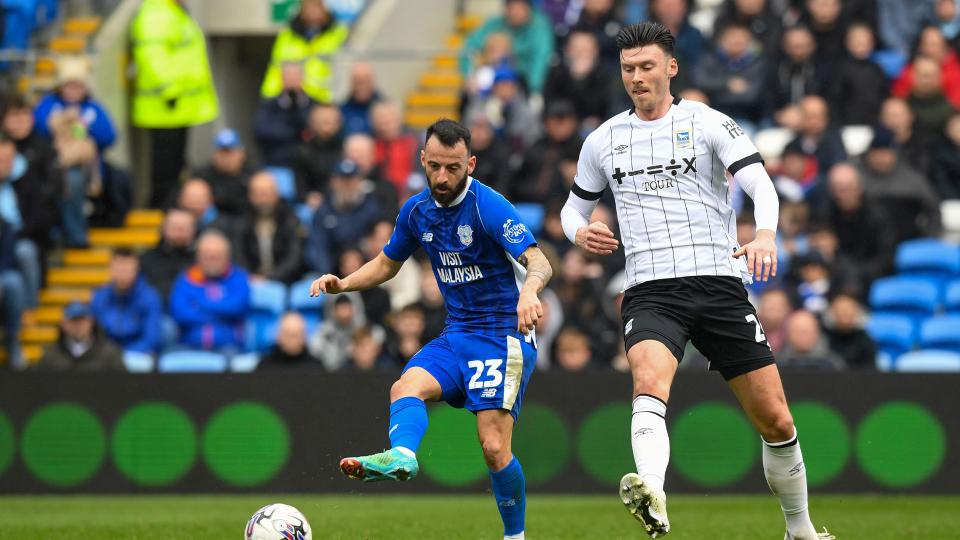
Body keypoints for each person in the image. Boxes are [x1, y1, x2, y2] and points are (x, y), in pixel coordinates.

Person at [560, 22, 833, 539]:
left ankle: (800, 530)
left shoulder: (707, 122)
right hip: (650, 288)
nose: (636, 77)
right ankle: (654, 495)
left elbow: (761, 185)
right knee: (648, 383)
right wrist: (581, 233)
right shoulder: (602, 140)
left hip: (718, 282)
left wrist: (768, 236)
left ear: (671, 67)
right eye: (627, 69)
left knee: (776, 420)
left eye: (645, 67)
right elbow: (571, 212)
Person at [310, 119, 553, 540]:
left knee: (494, 448)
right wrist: (344, 283)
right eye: (435, 166)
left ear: (471, 164)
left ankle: (515, 537)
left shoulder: (488, 207)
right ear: (422, 159)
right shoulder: (415, 210)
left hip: (503, 335)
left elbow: (539, 260)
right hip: (457, 334)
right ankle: (402, 455)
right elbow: (388, 263)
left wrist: (530, 292)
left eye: (454, 168)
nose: (443, 177)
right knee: (405, 387)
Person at [130, 0, 219, 209]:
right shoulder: (156, 13)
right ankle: (161, 208)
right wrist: (170, 90)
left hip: (180, 106)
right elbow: (152, 57)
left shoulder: (174, 11)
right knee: (164, 165)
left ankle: (171, 205)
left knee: (176, 163)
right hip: (165, 105)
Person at [169, 230, 250, 354]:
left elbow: (237, 308)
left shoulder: (239, 278)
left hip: (228, 347)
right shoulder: (187, 278)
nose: (212, 261)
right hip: (189, 344)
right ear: (198, 257)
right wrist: (221, 315)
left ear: (227, 257)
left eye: (217, 256)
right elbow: (180, 313)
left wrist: (200, 303)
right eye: (207, 256)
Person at [260, 0, 348, 103]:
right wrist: (269, 96)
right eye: (309, 7)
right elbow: (276, 68)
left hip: (325, 101)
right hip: (295, 100)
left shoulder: (338, 34)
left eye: (316, 7)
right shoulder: (287, 36)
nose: (313, 12)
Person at [231, 171, 303, 284]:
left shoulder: (290, 220)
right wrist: (250, 277)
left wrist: (270, 278)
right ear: (251, 197)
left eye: (267, 194)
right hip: (250, 281)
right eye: (259, 194)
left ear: (276, 195)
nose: (263, 200)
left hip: (285, 281)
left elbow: (294, 257)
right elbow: (237, 255)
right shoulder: (241, 221)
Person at [90, 248, 163, 354]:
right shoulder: (100, 297)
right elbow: (94, 335)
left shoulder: (150, 297)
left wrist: (125, 354)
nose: (123, 274)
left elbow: (152, 338)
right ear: (111, 269)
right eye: (119, 269)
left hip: (138, 354)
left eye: (127, 269)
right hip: (106, 354)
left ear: (137, 270)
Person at [254, 63, 315, 168]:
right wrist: (296, 133)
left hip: (309, 166)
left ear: (302, 78)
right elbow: (261, 132)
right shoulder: (270, 106)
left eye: (295, 76)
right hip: (278, 164)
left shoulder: (313, 105)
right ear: (281, 79)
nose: (291, 80)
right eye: (288, 77)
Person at [37, 301, 125, 371]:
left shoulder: (110, 354)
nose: (78, 326)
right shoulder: (50, 354)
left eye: (82, 321)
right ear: (63, 324)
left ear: (91, 323)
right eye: (73, 321)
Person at [193, 128, 254, 219]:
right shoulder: (202, 176)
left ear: (242, 153)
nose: (226, 158)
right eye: (222, 153)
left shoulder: (253, 175)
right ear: (214, 155)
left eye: (230, 152)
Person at [140, 208, 197, 301]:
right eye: (175, 227)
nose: (179, 231)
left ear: (193, 231)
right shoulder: (146, 258)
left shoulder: (201, 259)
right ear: (164, 229)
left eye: (184, 227)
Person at [257, 312, 324, 370]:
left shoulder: (317, 368)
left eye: (295, 335)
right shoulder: (264, 366)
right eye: (287, 334)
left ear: (304, 336)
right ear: (278, 336)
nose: (291, 340)